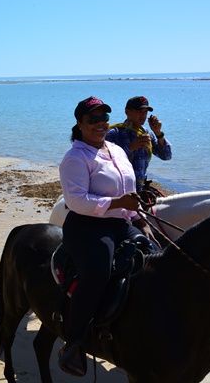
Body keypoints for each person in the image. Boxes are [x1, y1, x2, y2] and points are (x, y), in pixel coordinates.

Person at [57, 96, 156, 377]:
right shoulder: (75, 157)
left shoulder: (116, 149)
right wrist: (118, 204)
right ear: (79, 124)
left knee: (156, 255)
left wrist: (139, 218)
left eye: (103, 119)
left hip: (121, 221)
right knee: (98, 270)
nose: (100, 124)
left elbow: (130, 191)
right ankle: (74, 342)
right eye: (93, 120)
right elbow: (76, 201)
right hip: (87, 225)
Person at [105, 96, 172, 191]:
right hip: (121, 187)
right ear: (127, 112)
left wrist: (158, 133)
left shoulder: (147, 134)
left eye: (145, 112)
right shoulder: (114, 134)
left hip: (141, 186)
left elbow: (166, 156)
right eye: (139, 111)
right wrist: (130, 148)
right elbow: (106, 164)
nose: (143, 115)